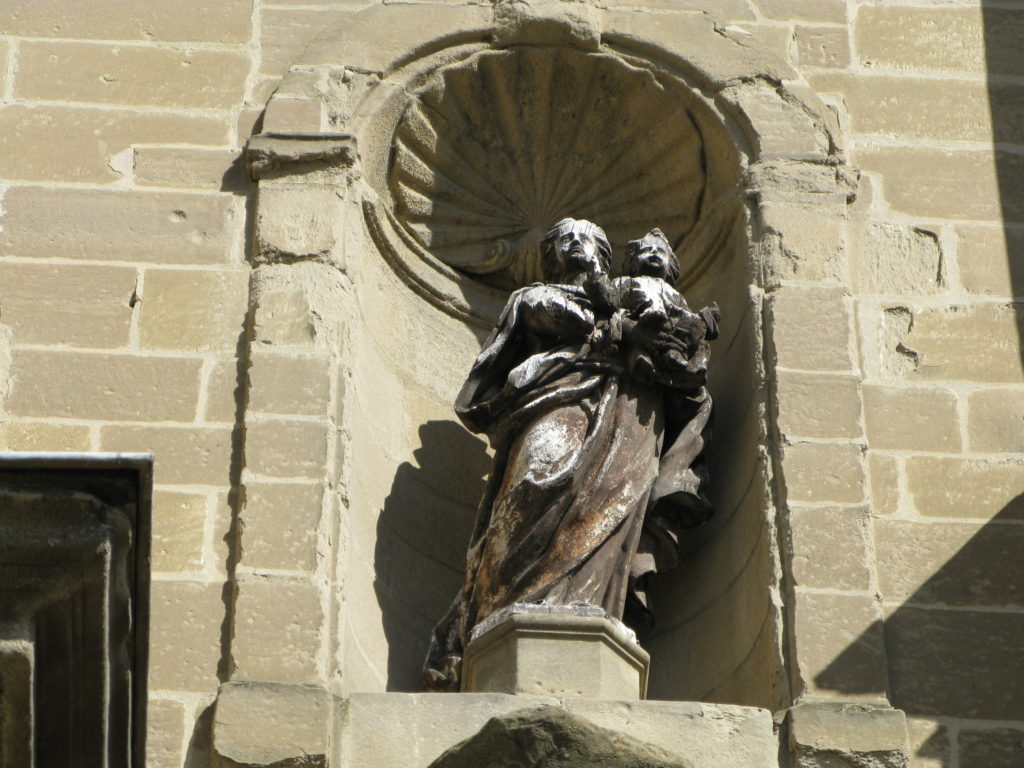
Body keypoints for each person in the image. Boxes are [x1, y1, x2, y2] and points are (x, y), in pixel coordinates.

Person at [423, 218, 717, 692]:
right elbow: (539, 327)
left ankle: (592, 608)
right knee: (532, 486)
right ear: (552, 254)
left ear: (604, 249)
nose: (576, 246)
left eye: (586, 238)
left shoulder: (632, 295)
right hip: (556, 399)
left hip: (628, 411)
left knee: (610, 506)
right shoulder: (534, 296)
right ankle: (502, 613)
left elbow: (679, 358)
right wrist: (609, 324)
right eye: (566, 240)